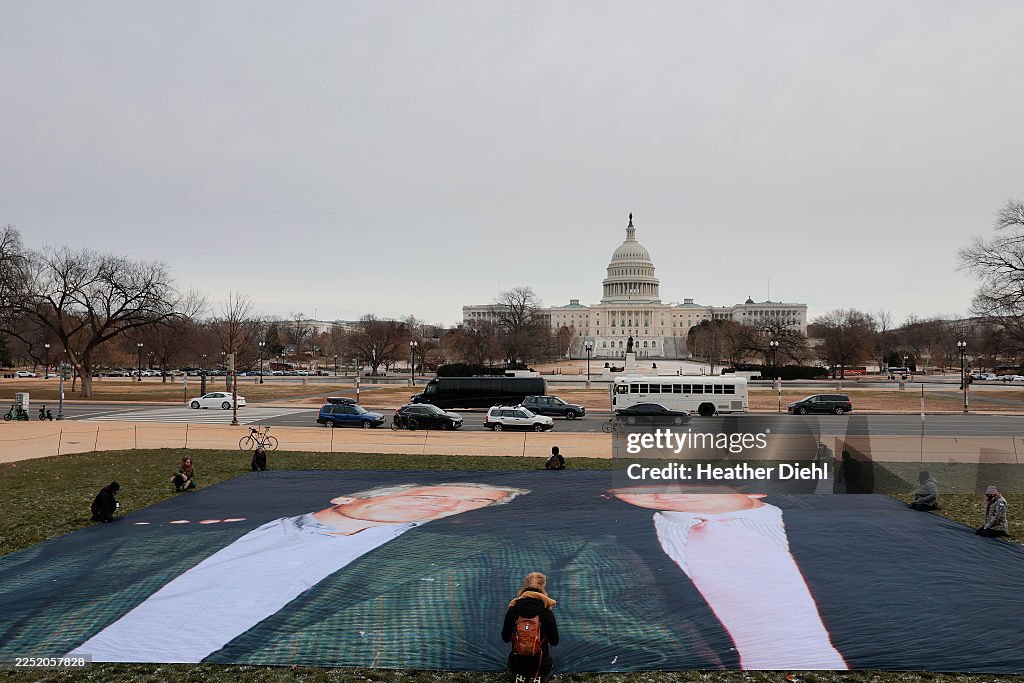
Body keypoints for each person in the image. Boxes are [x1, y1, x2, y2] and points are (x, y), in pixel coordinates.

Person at [69, 482, 528, 662]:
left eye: (466, 505)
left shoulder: (432, 567)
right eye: (435, 496)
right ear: (348, 497)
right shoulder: (177, 534)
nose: (448, 505)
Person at [610, 484, 848, 670]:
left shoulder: (837, 530)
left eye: (693, 486)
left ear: (755, 490)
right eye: (644, 488)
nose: (670, 494)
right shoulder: (614, 541)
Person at [502, 572, 559, 683]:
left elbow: (505, 638)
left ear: (524, 587)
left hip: (517, 670)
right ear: (543, 587)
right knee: (549, 661)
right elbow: (555, 641)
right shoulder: (546, 613)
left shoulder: (513, 610)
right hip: (540, 670)